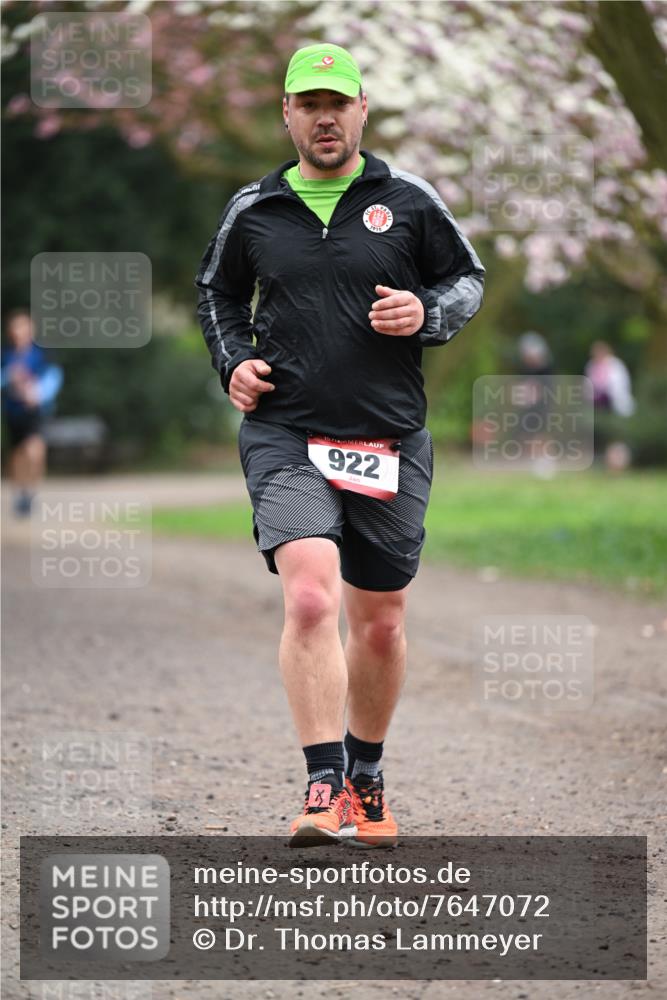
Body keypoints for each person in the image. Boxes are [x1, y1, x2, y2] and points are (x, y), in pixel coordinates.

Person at [195, 43, 485, 848]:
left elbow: (465, 279)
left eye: (338, 102)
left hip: (386, 433)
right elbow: (216, 293)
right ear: (287, 114)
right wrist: (233, 363)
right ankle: (321, 784)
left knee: (382, 621)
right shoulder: (254, 208)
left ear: (362, 111)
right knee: (313, 594)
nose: (324, 117)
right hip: (286, 429)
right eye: (307, 103)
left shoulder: (408, 199)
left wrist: (425, 314)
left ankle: (365, 776)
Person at [1, 309, 63, 516]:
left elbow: (54, 377)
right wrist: (10, 378)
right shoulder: (6, 356)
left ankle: (32, 492)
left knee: (34, 450)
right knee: (17, 455)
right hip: (13, 411)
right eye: (15, 326)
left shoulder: (42, 353)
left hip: (36, 411)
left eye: (22, 326)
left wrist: (38, 394)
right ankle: (20, 492)